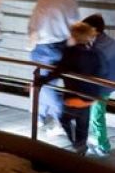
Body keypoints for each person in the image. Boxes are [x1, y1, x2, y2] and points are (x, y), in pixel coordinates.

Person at [35, 22, 107, 155]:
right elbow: (99, 71)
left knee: (64, 119)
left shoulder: (71, 52)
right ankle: (81, 150)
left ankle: (77, 145)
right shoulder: (94, 53)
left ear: (74, 35)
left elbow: (59, 71)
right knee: (82, 126)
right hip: (89, 98)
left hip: (73, 97)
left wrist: (41, 81)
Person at [28, 0, 80, 132]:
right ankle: (40, 116)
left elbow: (35, 26)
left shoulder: (45, 0)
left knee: (45, 85)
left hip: (45, 47)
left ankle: (61, 118)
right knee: (52, 82)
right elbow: (75, 25)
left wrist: (29, 45)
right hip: (63, 47)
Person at [82, 14, 115, 156]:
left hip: (100, 86)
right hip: (109, 83)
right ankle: (99, 141)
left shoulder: (96, 48)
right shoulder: (110, 42)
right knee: (96, 114)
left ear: (94, 30)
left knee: (97, 115)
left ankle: (104, 146)